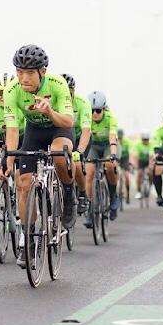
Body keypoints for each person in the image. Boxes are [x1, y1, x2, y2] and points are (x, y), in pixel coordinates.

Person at [2, 45, 75, 267]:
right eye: (19, 72)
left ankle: (69, 193)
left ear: (42, 71)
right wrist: (8, 161)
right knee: (24, 184)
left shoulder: (57, 84)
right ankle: (29, 239)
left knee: (58, 153)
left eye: (30, 73)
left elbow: (69, 122)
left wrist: (49, 111)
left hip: (58, 127)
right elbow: (13, 130)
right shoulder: (12, 90)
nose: (23, 78)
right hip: (33, 132)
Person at [85, 91, 121, 221]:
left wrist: (113, 154)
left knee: (110, 166)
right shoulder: (86, 118)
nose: (95, 113)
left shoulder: (111, 118)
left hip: (108, 145)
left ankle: (113, 196)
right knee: (88, 173)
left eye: (98, 110)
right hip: (93, 146)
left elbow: (112, 137)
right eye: (92, 110)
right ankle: (89, 209)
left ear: (104, 108)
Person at [62, 73, 91, 217]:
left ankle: (82, 194)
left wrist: (79, 150)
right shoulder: (55, 100)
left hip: (79, 138)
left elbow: (86, 131)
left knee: (77, 162)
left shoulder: (82, 103)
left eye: (69, 90)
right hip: (63, 136)